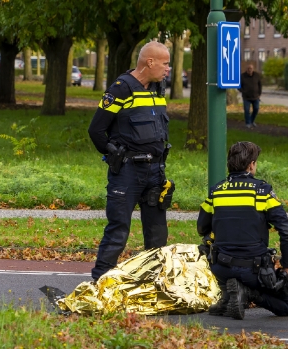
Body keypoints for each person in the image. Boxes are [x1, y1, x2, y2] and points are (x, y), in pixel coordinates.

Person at [88, 41, 172, 282]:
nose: (168, 69)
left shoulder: (158, 89)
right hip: (127, 173)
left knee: (157, 233)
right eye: (165, 64)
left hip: (156, 171)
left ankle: (153, 283)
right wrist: (114, 156)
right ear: (150, 62)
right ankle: (100, 283)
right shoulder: (121, 88)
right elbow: (96, 130)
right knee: (118, 230)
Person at [197, 141, 288, 320]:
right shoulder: (262, 192)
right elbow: (287, 232)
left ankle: (228, 294)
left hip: (222, 266)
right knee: (287, 306)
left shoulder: (216, 192)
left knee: (214, 251)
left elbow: (201, 227)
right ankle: (249, 294)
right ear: (251, 165)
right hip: (254, 270)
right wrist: (286, 268)